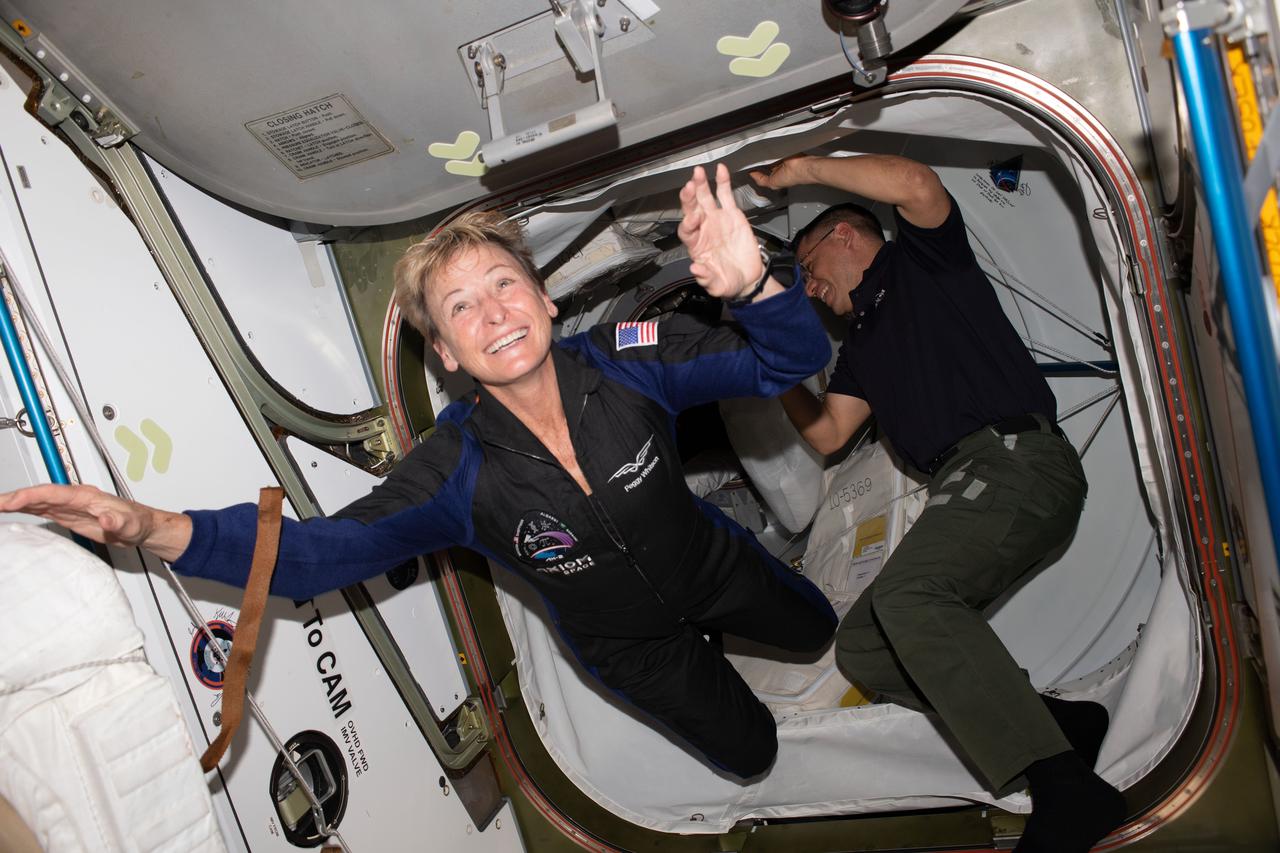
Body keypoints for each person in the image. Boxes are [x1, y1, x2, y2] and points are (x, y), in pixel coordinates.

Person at [0, 164, 837, 780]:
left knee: (817, 632)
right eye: (462, 307)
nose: (494, 312)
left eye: (504, 283)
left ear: (546, 299)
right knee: (752, 754)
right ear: (445, 353)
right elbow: (318, 555)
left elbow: (784, 362)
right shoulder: (452, 472)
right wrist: (156, 529)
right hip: (633, 649)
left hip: (717, 565)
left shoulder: (630, 363)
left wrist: (756, 284)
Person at [751, 153, 1125, 852]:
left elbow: (920, 186)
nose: (808, 290)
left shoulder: (922, 265)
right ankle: (1057, 726)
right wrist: (768, 369)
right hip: (964, 482)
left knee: (911, 601)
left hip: (1015, 458)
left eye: (807, 269)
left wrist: (799, 167)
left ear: (844, 236)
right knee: (865, 646)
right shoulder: (860, 346)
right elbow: (830, 433)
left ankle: (1065, 786)